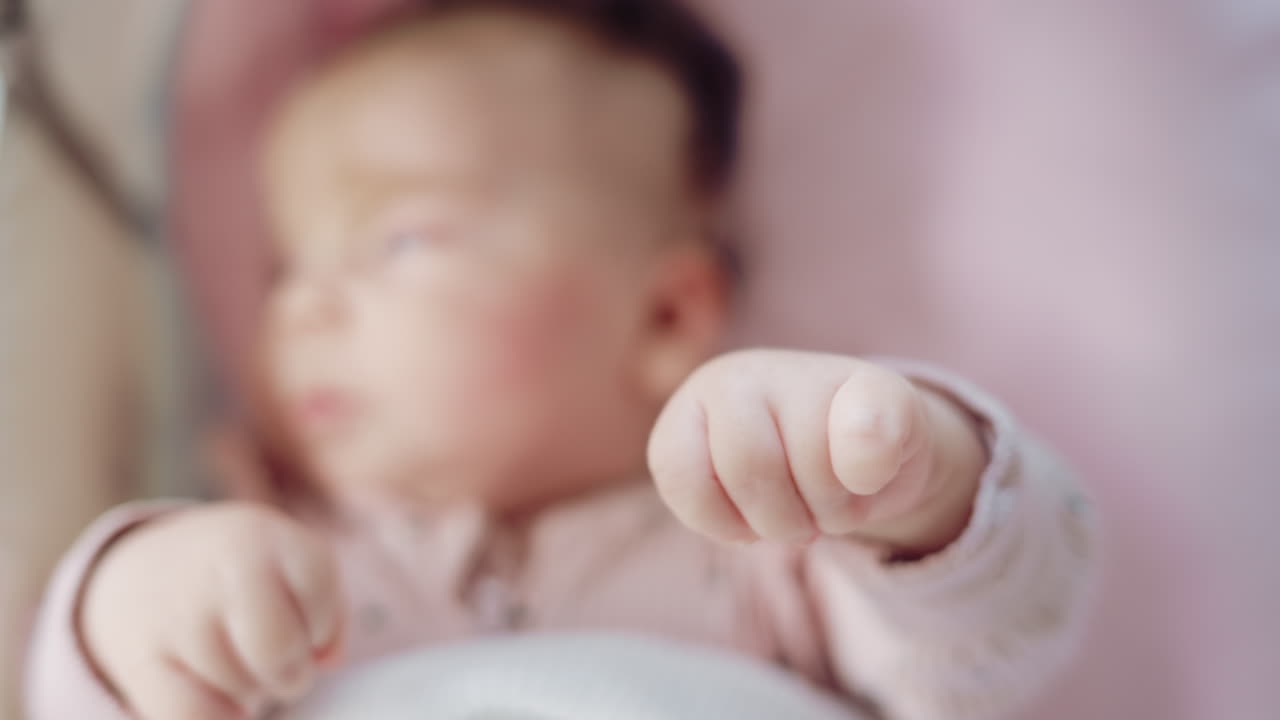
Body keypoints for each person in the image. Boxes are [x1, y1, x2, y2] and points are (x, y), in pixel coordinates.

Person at [25, 1, 1098, 719]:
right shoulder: (269, 559)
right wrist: (131, 608)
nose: (308, 305)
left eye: (400, 240)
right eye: (284, 270)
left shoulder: (769, 555)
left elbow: (994, 649)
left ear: (667, 314)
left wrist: (915, 485)